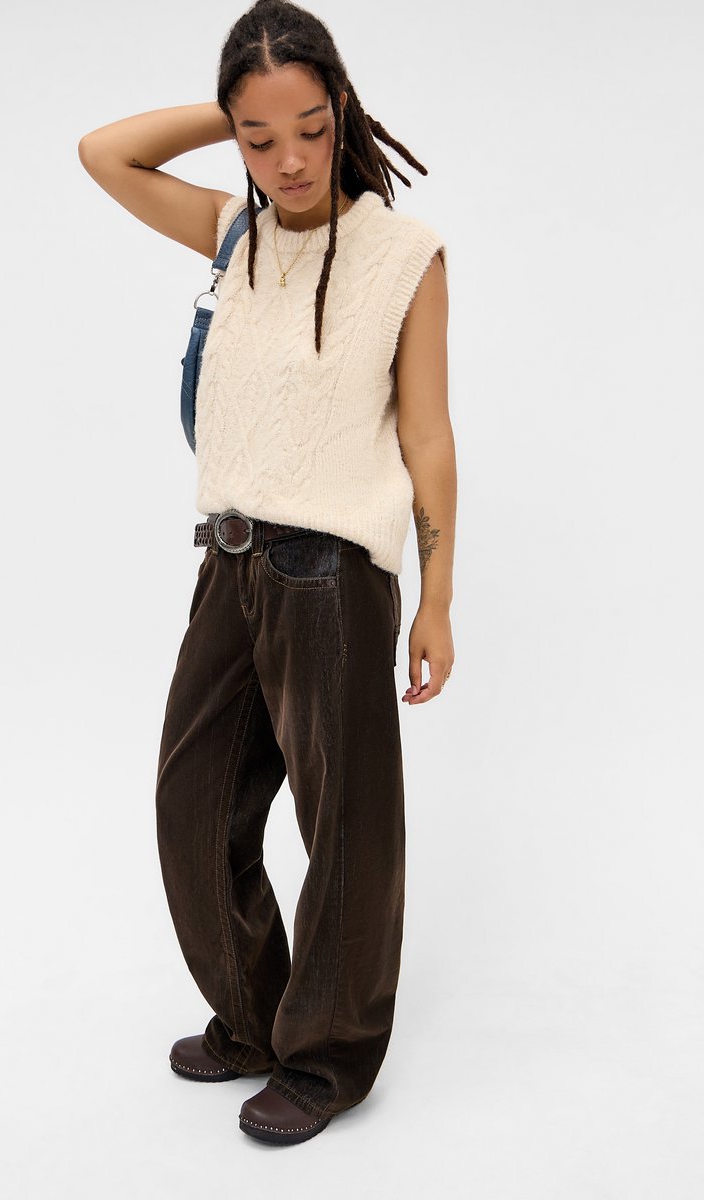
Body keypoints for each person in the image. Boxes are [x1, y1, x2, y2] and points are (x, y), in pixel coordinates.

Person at [78, 0, 456, 1147]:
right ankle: (250, 1019)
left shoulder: (403, 255)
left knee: (345, 829)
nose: (288, 159)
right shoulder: (229, 234)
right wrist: (234, 106)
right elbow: (104, 153)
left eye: (309, 127)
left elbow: (426, 434)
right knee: (190, 804)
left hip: (330, 575)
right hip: (228, 563)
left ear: (343, 113)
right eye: (258, 137)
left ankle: (327, 1058)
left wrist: (435, 596)